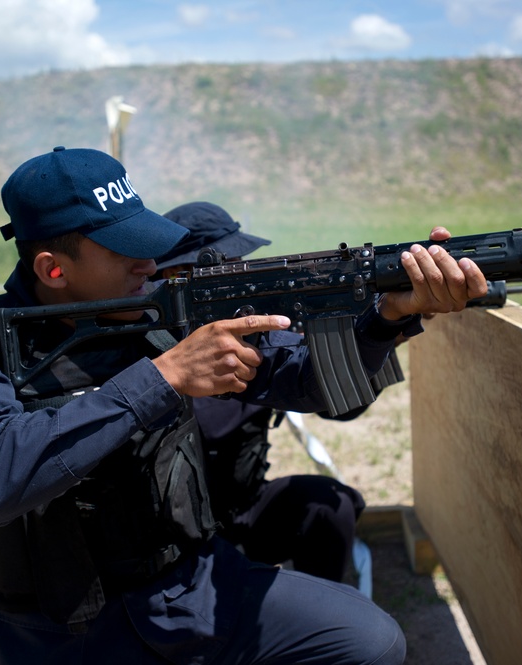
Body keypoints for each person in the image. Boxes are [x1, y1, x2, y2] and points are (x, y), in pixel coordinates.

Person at [0, 146, 487, 664]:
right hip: (54, 631)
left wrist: (387, 318)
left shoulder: (160, 311)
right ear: (53, 269)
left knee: (370, 641)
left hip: (190, 586)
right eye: (125, 250)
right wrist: (162, 377)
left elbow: (304, 380)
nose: (148, 265)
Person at [155, 200, 366, 584]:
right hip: (170, 534)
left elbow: (341, 408)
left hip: (242, 508)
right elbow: (213, 424)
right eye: (231, 265)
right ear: (178, 273)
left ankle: (326, 611)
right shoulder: (156, 346)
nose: (244, 274)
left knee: (330, 505)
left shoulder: (256, 336)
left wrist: (376, 332)